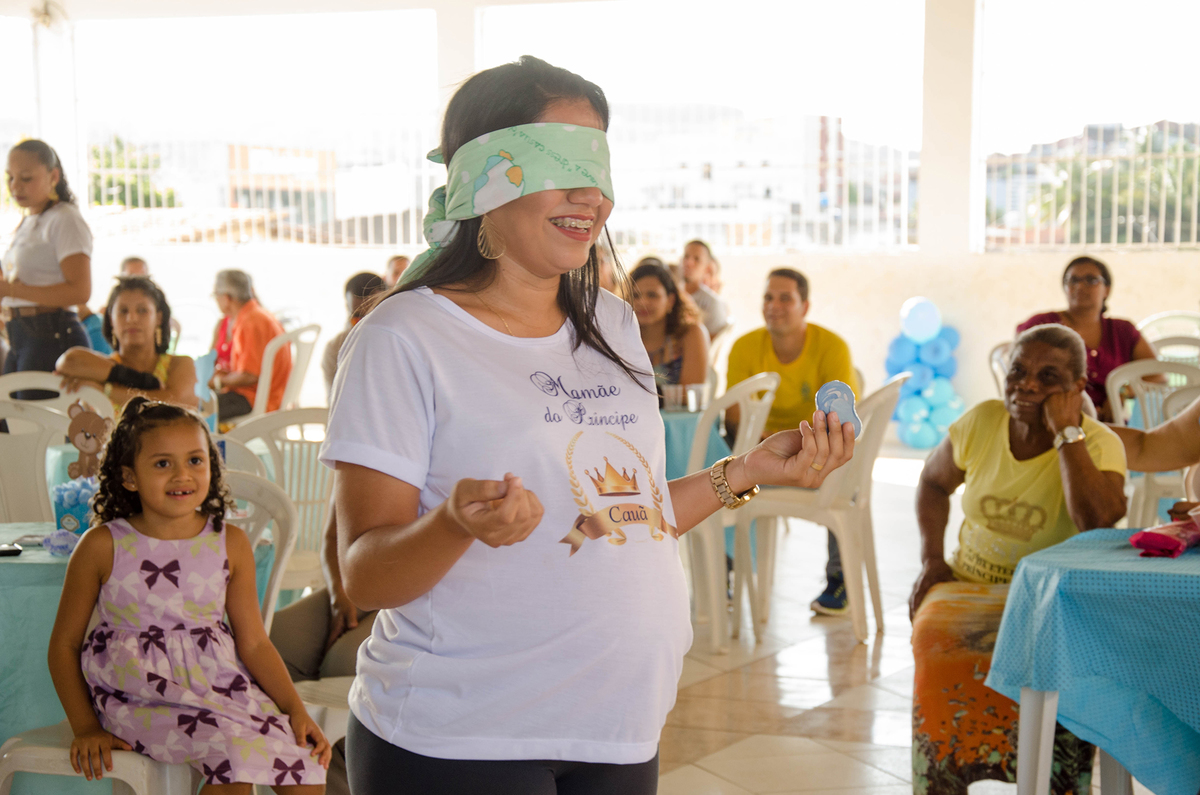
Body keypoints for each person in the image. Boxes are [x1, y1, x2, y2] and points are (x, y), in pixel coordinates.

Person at [319, 56, 855, 795]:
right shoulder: (403, 336)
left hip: (618, 724)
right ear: (483, 175)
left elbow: (625, 515)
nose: (591, 195)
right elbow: (365, 574)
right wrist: (454, 524)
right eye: (562, 161)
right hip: (461, 734)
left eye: (598, 165)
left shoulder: (612, 323)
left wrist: (749, 469)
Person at [46, 398, 330, 791]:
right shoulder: (101, 545)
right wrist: (85, 727)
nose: (182, 474)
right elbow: (63, 645)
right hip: (140, 695)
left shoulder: (231, 542)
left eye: (195, 460)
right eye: (163, 463)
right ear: (129, 477)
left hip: (220, 689)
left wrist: (294, 709)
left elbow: (254, 642)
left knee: (304, 764)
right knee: (233, 762)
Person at [907, 324, 1126, 794]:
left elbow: (1097, 519)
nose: (1026, 385)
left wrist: (1067, 432)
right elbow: (933, 483)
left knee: (1057, 666)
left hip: (1053, 601)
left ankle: (1054, 780)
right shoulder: (982, 421)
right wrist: (932, 560)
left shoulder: (1098, 443)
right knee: (935, 639)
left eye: (1048, 377)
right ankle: (945, 778)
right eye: (1018, 371)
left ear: (1076, 389)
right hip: (968, 584)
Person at [726, 268, 859, 615]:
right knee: (717, 469)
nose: (774, 306)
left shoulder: (832, 347)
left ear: (805, 306)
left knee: (847, 473)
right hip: (758, 458)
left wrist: (791, 442)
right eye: (768, 297)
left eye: (785, 298)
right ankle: (725, 571)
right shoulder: (743, 347)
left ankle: (840, 579)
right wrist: (769, 444)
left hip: (820, 456)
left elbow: (840, 423)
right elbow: (734, 419)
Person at [1016, 256, 1158, 422]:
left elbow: (1157, 374)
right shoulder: (1043, 324)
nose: (1080, 286)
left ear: (1107, 289)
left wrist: (1121, 393)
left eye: (1091, 280)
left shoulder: (1122, 331)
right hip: (1051, 422)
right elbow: (1018, 370)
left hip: (1110, 424)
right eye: (1073, 280)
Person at [1, 140, 93, 382]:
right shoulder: (29, 221)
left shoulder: (65, 219)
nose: (15, 186)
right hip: (20, 335)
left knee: (33, 406)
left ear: (53, 176)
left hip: (50, 334)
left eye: (26, 178)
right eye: (10, 177)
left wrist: (11, 290)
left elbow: (80, 291)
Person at [56, 276, 198, 411]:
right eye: (123, 311)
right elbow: (68, 361)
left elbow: (176, 404)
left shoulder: (179, 365)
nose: (131, 318)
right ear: (111, 319)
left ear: (159, 318)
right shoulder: (104, 366)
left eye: (142, 310)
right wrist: (140, 381)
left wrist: (105, 390)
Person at [209, 270, 292, 422]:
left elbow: (250, 376)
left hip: (255, 398)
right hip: (265, 394)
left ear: (227, 298)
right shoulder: (256, 314)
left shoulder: (250, 322)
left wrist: (218, 381)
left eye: (216, 296)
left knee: (195, 407)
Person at [629, 261, 708, 387]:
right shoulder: (619, 337)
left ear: (670, 300)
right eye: (636, 295)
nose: (642, 302)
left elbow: (690, 393)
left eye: (652, 295)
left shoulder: (690, 334)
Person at [321, 272, 385, 400]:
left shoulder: (400, 345)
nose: (363, 327)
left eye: (371, 318)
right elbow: (334, 403)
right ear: (348, 309)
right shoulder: (335, 349)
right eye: (358, 318)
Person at [679, 239, 731, 339]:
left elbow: (711, 345)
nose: (688, 263)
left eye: (697, 259)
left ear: (707, 268)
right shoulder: (669, 296)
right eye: (686, 256)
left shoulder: (713, 304)